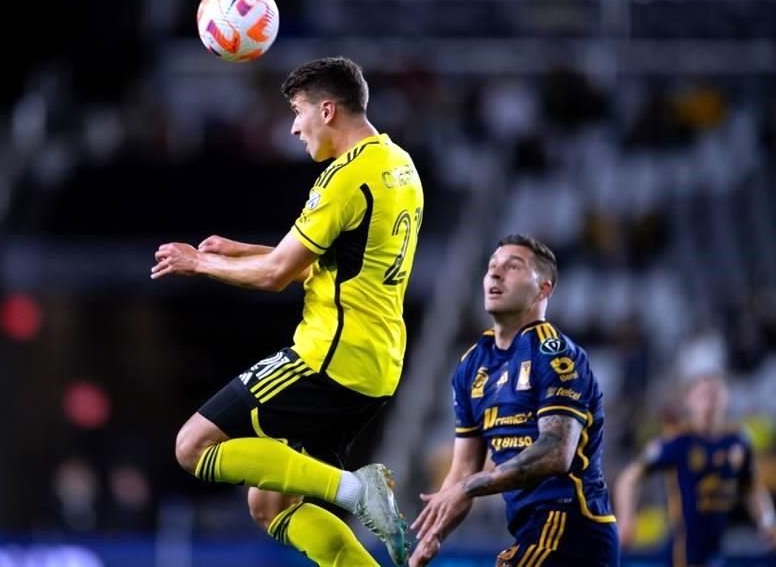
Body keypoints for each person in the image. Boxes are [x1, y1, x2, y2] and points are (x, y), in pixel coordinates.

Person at [151, 56, 423, 566]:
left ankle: (354, 491)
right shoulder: (398, 165)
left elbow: (277, 276)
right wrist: (238, 250)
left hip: (327, 358)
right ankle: (353, 502)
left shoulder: (344, 178)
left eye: (298, 112)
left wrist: (199, 264)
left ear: (327, 110)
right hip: (376, 364)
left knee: (192, 447)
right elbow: (319, 266)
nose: (294, 126)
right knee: (270, 503)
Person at [409, 235, 619, 567]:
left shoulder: (555, 353)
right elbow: (463, 468)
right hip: (531, 530)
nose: (495, 274)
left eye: (513, 267)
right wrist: (434, 533)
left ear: (543, 290)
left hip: (571, 528)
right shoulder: (471, 365)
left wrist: (468, 487)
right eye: (492, 267)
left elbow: (555, 453)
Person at [615, 373, 776, 566]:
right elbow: (629, 477)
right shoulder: (677, 442)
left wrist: (767, 521)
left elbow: (751, 486)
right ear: (689, 402)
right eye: (702, 396)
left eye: (714, 395)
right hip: (682, 552)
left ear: (726, 399)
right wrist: (626, 518)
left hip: (717, 548)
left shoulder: (738, 441)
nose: (709, 403)